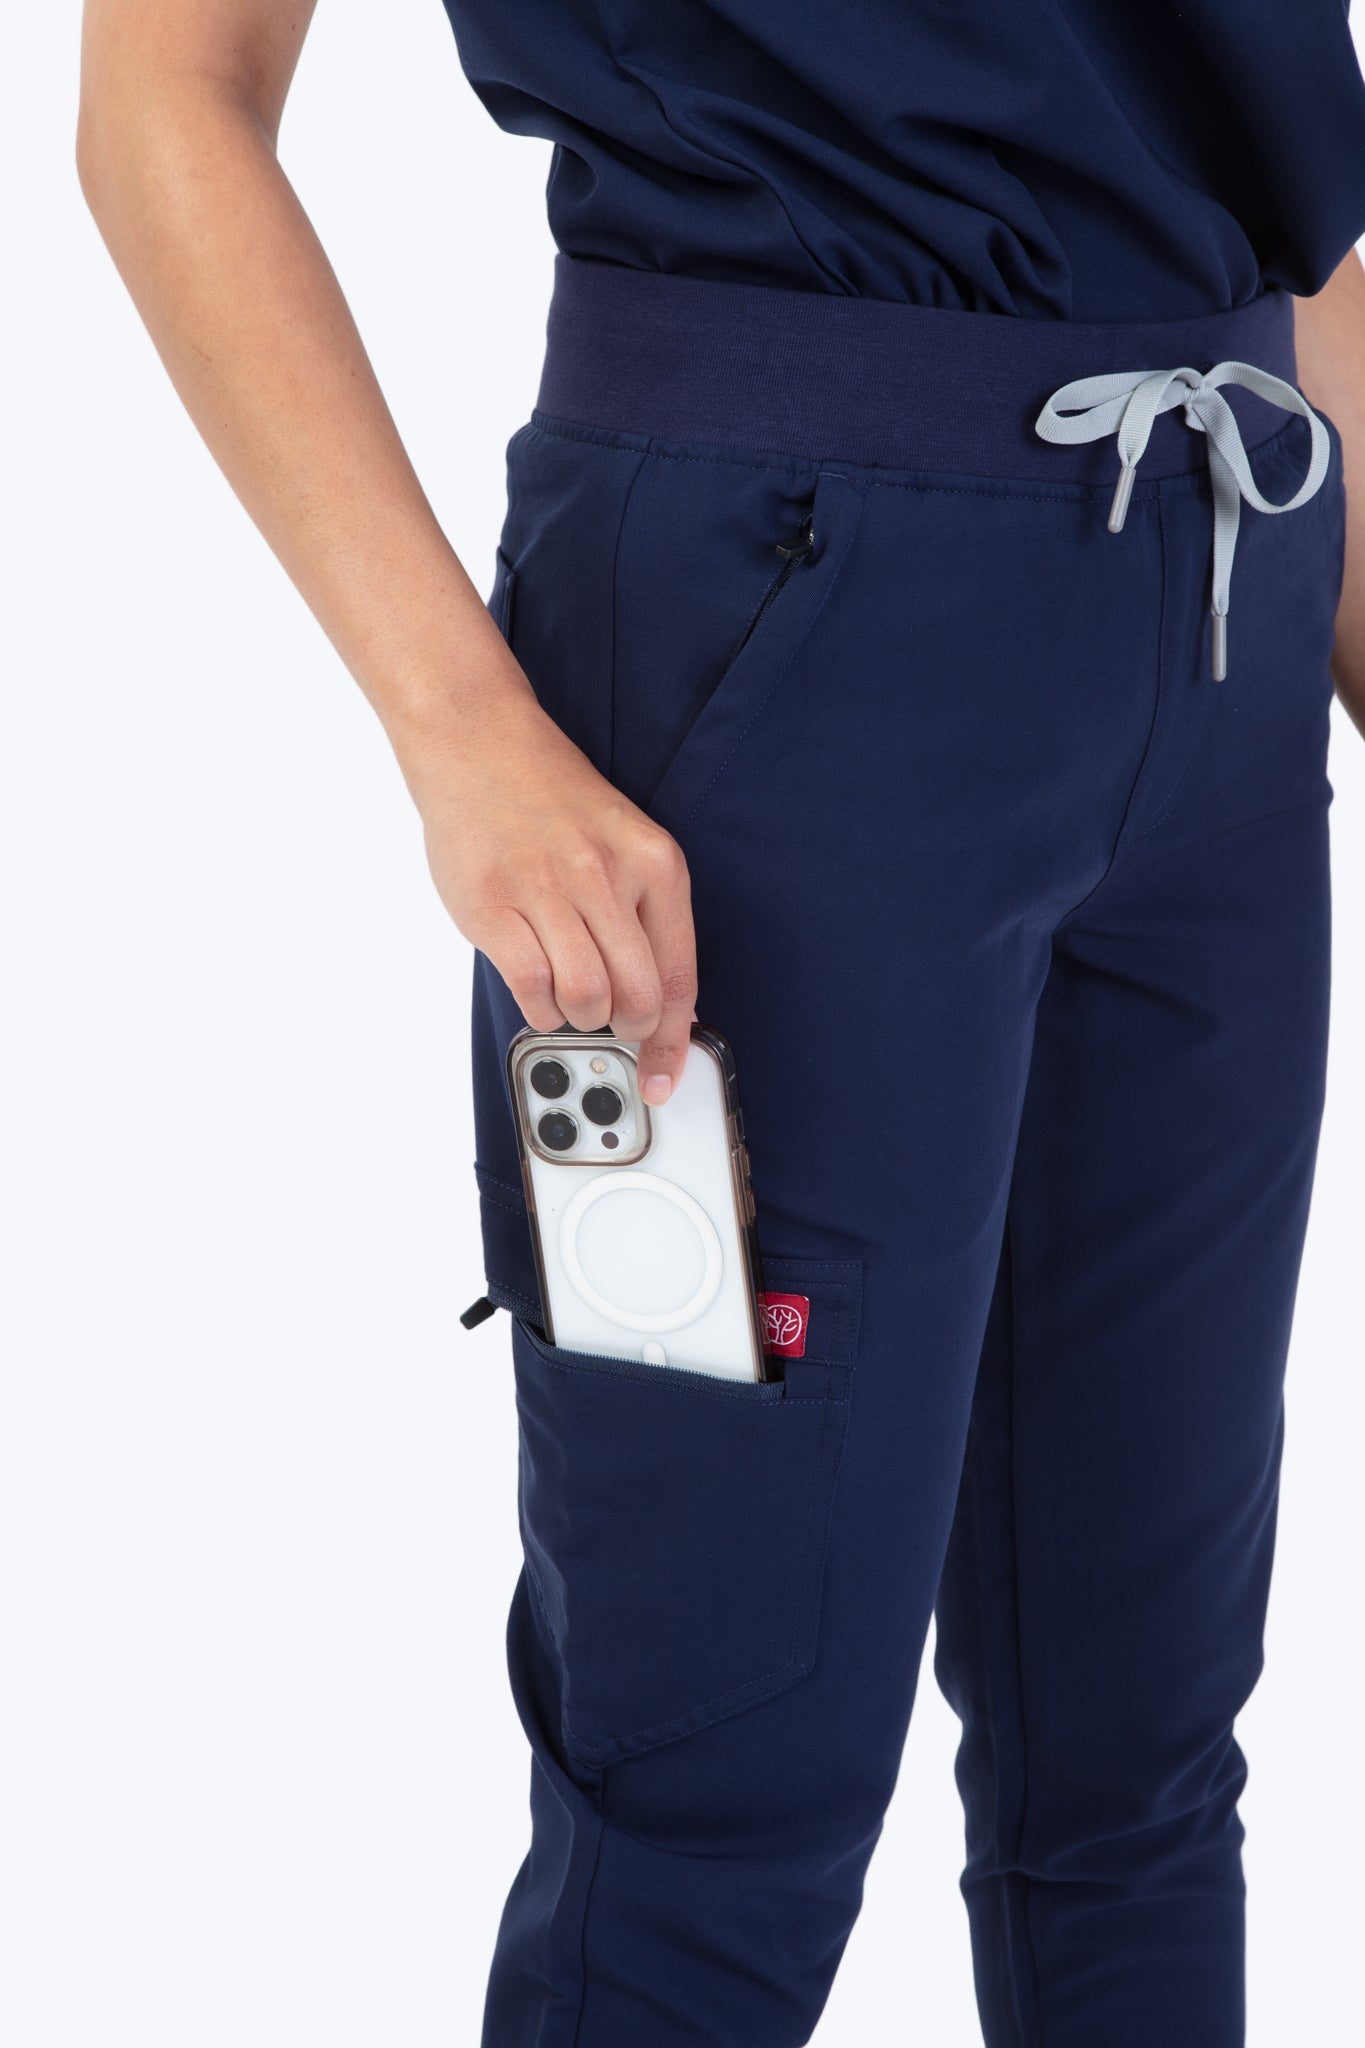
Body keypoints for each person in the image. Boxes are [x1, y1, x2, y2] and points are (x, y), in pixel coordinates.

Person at [77, 3, 1365, 2043]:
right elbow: (167, 93)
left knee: (1136, 1762)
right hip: (780, 641)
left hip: (1226, 595)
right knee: (710, 1796)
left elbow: (1261, 196)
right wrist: (462, 728)